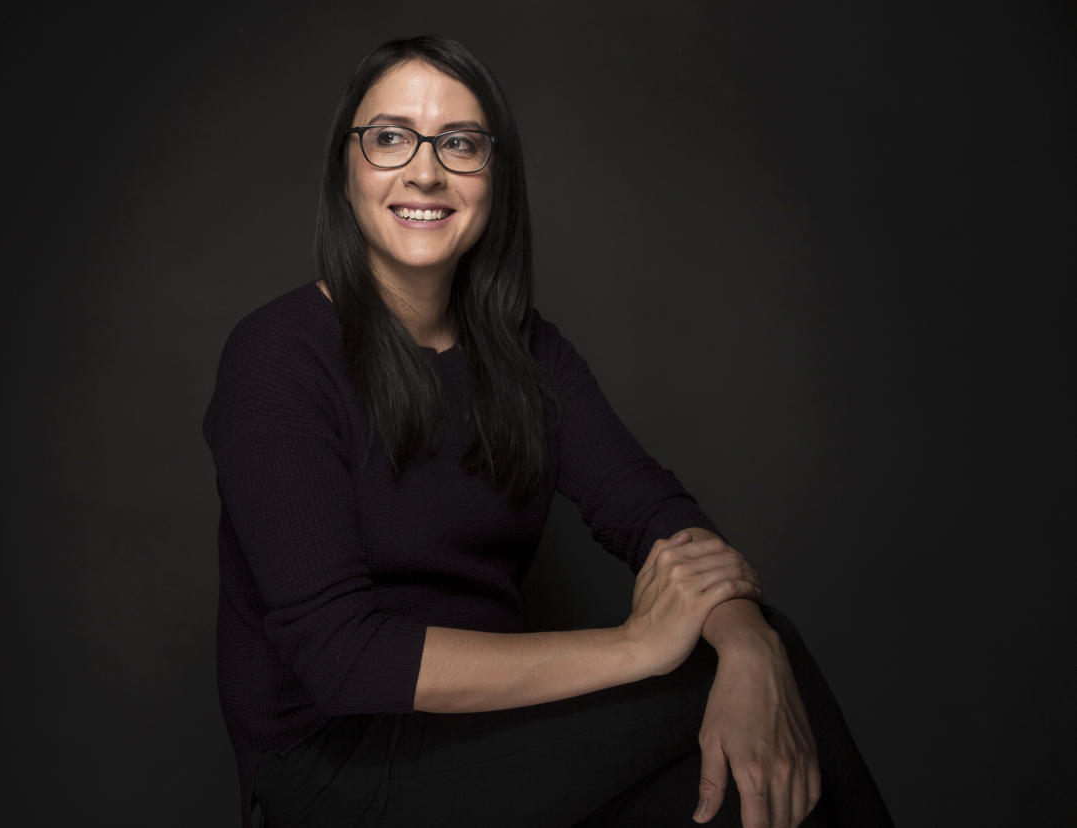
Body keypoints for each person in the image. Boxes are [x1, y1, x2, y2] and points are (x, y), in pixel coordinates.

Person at [203, 35, 893, 828]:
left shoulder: (526, 353)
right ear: (345, 169)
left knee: (741, 769)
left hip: (496, 745)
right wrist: (639, 646)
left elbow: (651, 510)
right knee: (754, 684)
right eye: (389, 137)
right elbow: (342, 660)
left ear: (496, 177)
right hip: (341, 768)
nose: (424, 171)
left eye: (459, 144)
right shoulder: (277, 356)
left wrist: (749, 645)